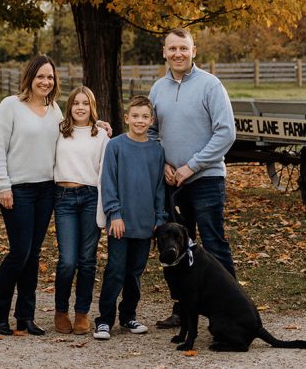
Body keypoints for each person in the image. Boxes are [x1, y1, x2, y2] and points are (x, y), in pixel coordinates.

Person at [148, 28, 236, 330]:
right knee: (178, 247)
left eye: (183, 48)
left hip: (206, 179)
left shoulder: (211, 85)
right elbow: (150, 132)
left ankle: (230, 309)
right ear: (164, 52)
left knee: (213, 244)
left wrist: (192, 166)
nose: (178, 54)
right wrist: (163, 165)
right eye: (172, 49)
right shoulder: (157, 89)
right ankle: (184, 309)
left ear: (193, 51)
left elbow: (226, 132)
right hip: (173, 183)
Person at [0, 54, 62, 337]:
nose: (45, 81)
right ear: (29, 77)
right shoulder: (10, 106)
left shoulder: (54, 109)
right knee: (20, 252)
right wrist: (2, 185)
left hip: (46, 190)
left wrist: (97, 126)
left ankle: (25, 316)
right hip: (17, 189)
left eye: (50, 77)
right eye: (40, 76)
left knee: (33, 254)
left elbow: (69, 137)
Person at [92, 95, 166, 341]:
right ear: (126, 118)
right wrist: (114, 214)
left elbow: (158, 188)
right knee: (115, 270)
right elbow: (108, 182)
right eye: (135, 116)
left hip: (145, 223)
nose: (140, 121)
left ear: (151, 120)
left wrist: (160, 217)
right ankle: (104, 320)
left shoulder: (156, 151)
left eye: (145, 117)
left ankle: (128, 315)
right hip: (120, 223)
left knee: (135, 271)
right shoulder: (116, 146)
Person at [52, 85, 109, 335]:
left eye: (85, 103)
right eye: (76, 103)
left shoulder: (101, 136)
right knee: (67, 261)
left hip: (89, 198)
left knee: (87, 261)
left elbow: (105, 174)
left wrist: (104, 211)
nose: (80, 107)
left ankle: (82, 312)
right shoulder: (59, 131)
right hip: (64, 198)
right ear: (69, 106)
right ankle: (61, 310)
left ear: (92, 107)